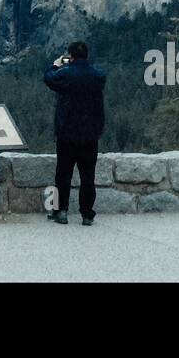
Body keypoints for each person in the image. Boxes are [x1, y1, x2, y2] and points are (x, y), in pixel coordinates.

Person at [43, 40, 106, 226]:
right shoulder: (98, 76)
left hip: (67, 133)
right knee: (88, 176)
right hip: (90, 135)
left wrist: (56, 65)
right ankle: (87, 214)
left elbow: (48, 78)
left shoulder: (65, 75)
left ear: (70, 56)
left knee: (62, 174)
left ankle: (60, 211)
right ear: (87, 55)